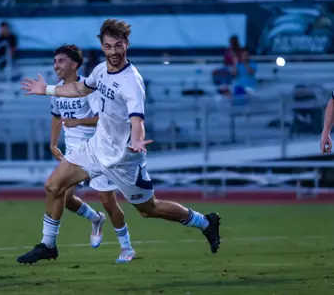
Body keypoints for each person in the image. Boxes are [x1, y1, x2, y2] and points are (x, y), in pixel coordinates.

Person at [17, 18, 221, 264]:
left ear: (127, 44)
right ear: (102, 47)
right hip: (95, 149)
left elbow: (138, 121)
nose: (113, 52)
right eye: (108, 46)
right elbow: (80, 89)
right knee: (53, 186)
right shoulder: (101, 70)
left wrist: (136, 141)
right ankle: (48, 245)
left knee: (149, 209)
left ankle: (204, 221)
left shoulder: (132, 82)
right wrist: (47, 89)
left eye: (118, 45)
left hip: (123, 158)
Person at [48, 44, 135, 263]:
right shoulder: (57, 90)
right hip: (73, 151)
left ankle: (127, 247)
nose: (56, 65)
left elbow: (102, 118)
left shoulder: (89, 87)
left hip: (97, 149)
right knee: (65, 197)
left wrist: (79, 121)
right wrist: (53, 143)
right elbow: (57, 117)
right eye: (55, 61)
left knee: (108, 200)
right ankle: (96, 219)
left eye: (60, 61)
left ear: (74, 65)